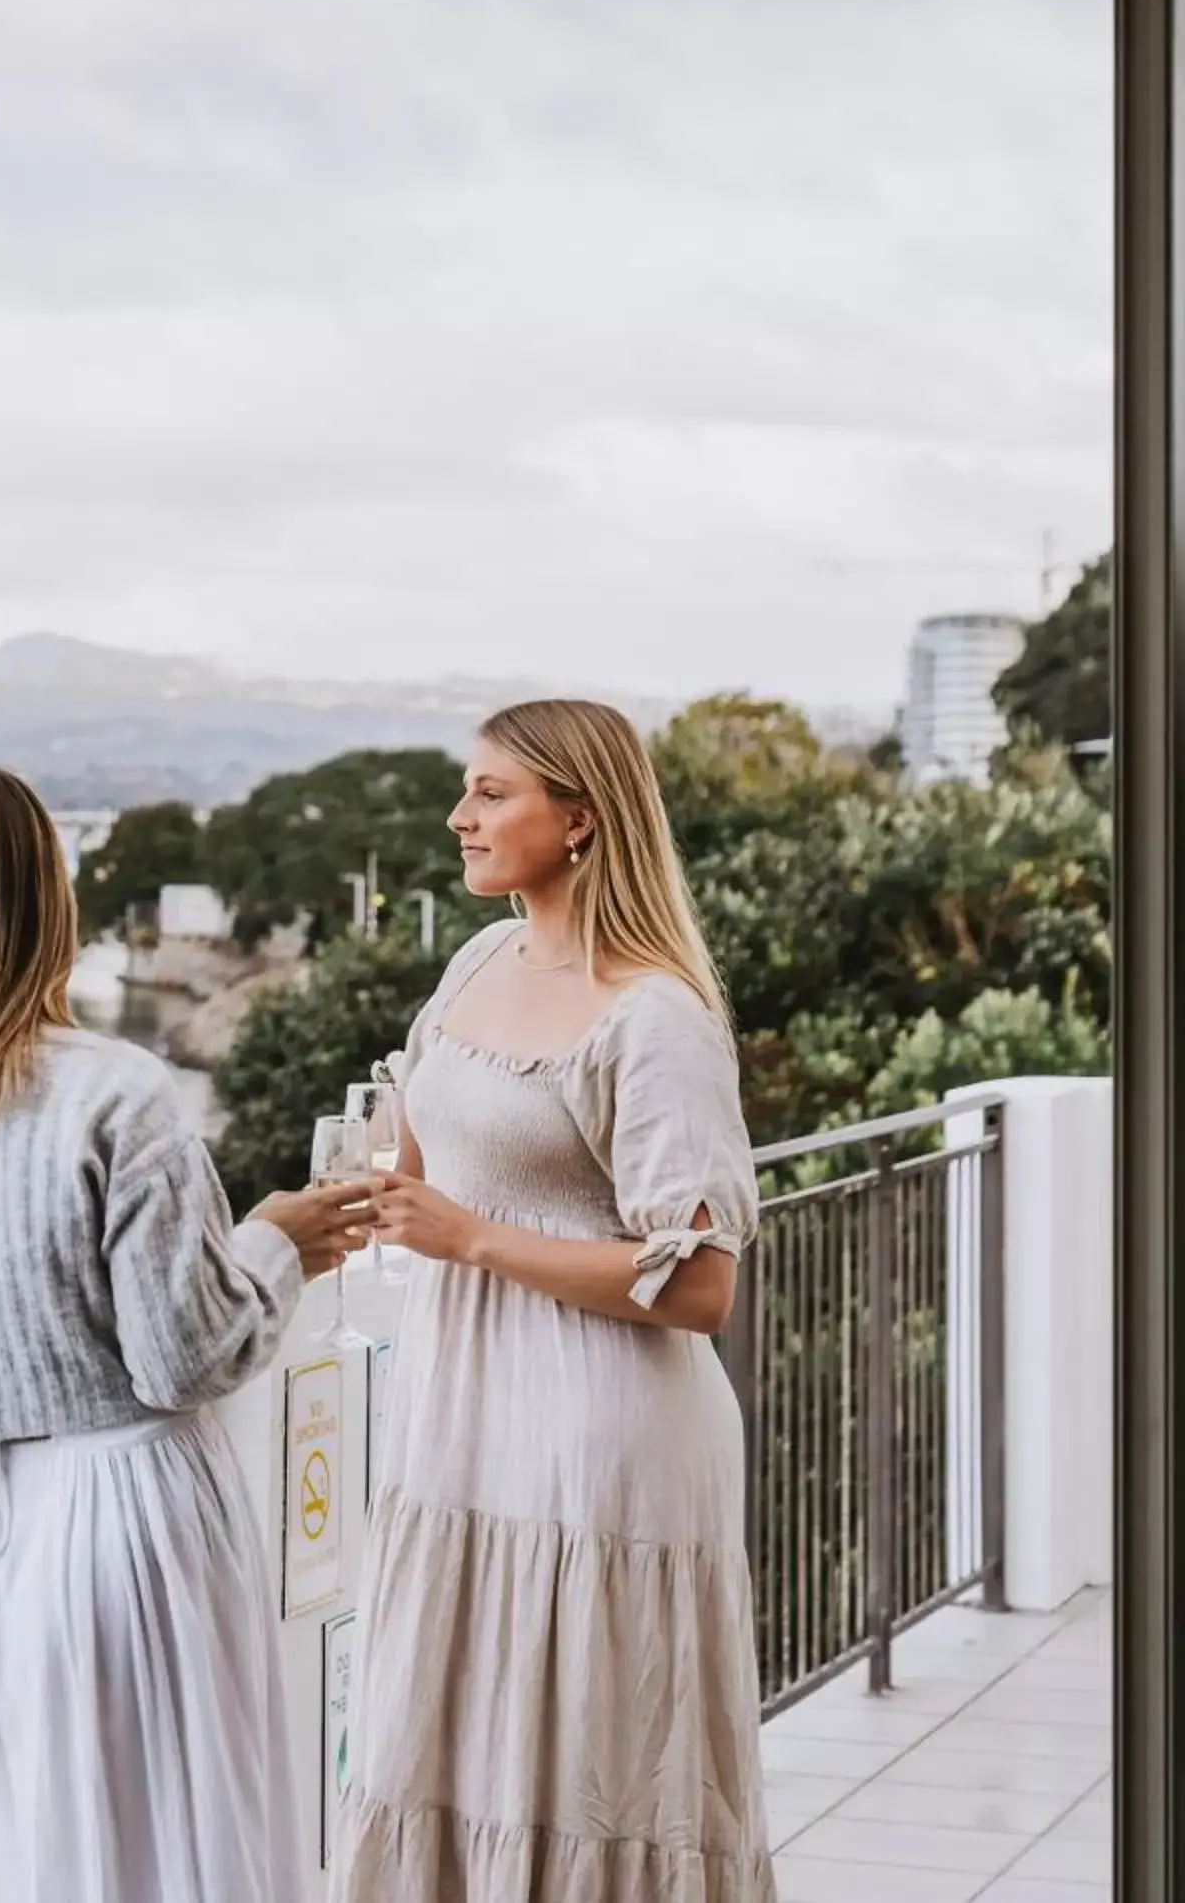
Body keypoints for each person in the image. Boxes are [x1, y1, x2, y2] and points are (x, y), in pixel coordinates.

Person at [0, 764, 371, 1903]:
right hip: (127, 1513)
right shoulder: (115, 1092)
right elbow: (184, 1356)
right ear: (50, 896)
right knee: (155, 1840)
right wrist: (279, 1240)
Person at [340, 699, 774, 1901]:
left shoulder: (656, 1017)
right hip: (457, 1417)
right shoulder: (479, 959)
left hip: (597, 1440)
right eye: (467, 789)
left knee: (586, 1749)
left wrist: (472, 1237)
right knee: (453, 1730)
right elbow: (417, 1156)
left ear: (579, 817)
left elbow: (699, 1282)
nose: (458, 816)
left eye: (491, 793)